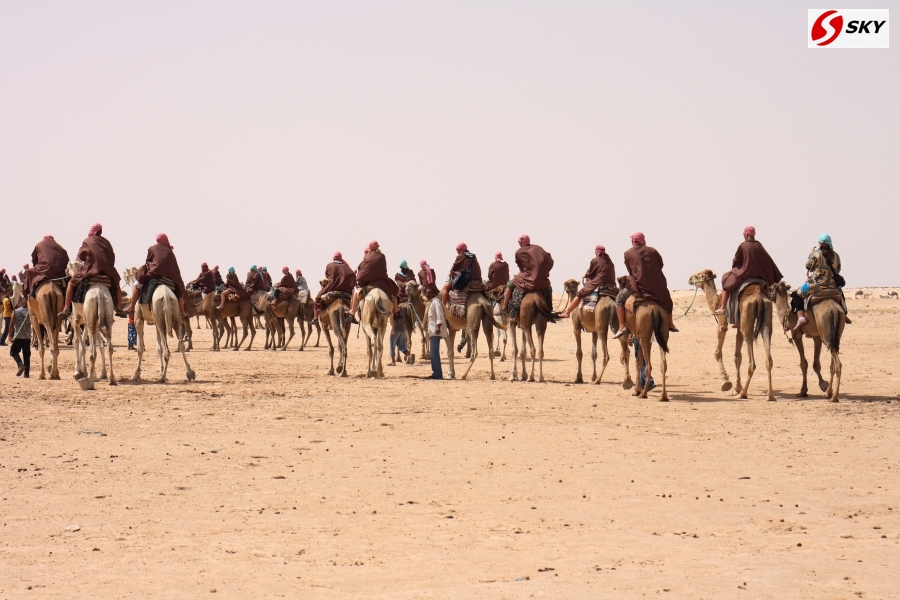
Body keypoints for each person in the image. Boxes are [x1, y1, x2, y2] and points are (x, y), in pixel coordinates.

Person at [614, 232, 677, 338]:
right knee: (667, 299)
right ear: (643, 240)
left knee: (619, 299)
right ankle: (670, 323)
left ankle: (622, 326)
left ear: (633, 241)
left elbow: (630, 270)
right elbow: (660, 264)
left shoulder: (627, 253)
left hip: (638, 286)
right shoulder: (653, 250)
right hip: (657, 286)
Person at [59, 223, 126, 318]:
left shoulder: (87, 241)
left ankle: (66, 308)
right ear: (100, 232)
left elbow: (81, 257)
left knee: (70, 283)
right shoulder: (107, 242)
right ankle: (119, 308)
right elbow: (112, 257)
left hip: (90, 269)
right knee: (117, 285)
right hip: (107, 269)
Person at [712, 226, 783, 315]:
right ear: (754, 234)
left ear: (745, 234)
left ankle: (723, 308)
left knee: (726, 280)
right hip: (759, 275)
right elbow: (767, 260)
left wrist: (737, 267)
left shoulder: (743, 246)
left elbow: (736, 260)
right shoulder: (759, 245)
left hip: (744, 274)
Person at [792, 233, 850, 329]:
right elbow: (838, 270)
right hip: (832, 286)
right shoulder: (836, 256)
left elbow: (807, 265)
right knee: (841, 294)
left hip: (816, 286)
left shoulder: (816, 254)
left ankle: (801, 317)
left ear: (820, 244)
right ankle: (844, 313)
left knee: (796, 294)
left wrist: (811, 253)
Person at [126, 233, 187, 316]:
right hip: (170, 275)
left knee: (138, 284)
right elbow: (175, 266)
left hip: (154, 272)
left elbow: (148, 261)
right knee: (180, 289)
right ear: (166, 240)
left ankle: (131, 306)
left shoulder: (152, 248)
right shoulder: (170, 251)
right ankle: (182, 311)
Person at [500, 234, 554, 315]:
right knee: (549, 288)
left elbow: (521, 267)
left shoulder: (519, 252)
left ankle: (504, 307)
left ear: (521, 243)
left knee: (509, 284)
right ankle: (550, 308)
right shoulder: (538, 248)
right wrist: (544, 272)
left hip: (526, 281)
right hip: (541, 281)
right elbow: (550, 260)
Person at [559, 244, 617, 318]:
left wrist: (585, 275)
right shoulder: (609, 261)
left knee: (580, 294)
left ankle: (567, 312)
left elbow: (590, 271)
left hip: (599, 283)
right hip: (611, 284)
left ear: (596, 251)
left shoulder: (595, 260)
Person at [352, 241, 400, 317]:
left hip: (369, 282)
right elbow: (384, 269)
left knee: (356, 292)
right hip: (381, 281)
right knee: (394, 290)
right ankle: (396, 309)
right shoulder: (382, 256)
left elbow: (361, 268)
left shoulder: (367, 256)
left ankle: (352, 311)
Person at [312, 251, 357, 325]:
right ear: (341, 258)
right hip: (346, 290)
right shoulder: (347, 267)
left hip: (332, 288)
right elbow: (352, 277)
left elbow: (327, 276)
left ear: (333, 258)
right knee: (355, 298)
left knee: (317, 298)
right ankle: (352, 315)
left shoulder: (330, 265)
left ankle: (315, 318)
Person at [7, 296, 31, 377]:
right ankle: (26, 374)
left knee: (13, 352)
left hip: (18, 336)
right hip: (27, 337)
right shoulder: (30, 312)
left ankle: (20, 364)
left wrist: (10, 335)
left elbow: (11, 324)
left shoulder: (16, 311)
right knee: (26, 355)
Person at [427, 293, 447, 379]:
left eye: (429, 292)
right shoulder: (432, 302)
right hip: (432, 331)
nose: (427, 294)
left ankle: (437, 374)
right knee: (432, 353)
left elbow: (440, 314)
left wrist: (438, 326)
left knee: (434, 353)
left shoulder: (436, 302)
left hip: (435, 331)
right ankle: (435, 372)